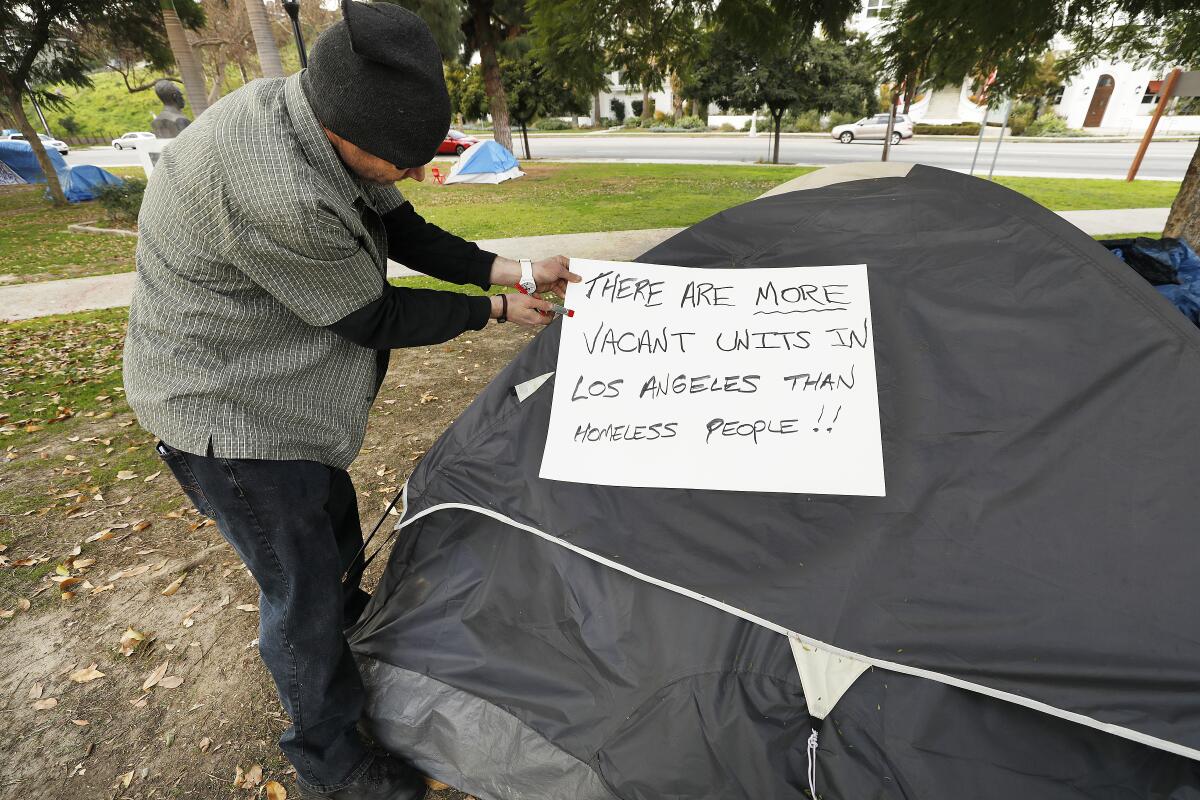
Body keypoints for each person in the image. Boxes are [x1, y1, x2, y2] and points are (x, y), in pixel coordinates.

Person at [122, 2, 579, 798]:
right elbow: (374, 316)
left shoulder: (317, 116)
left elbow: (406, 231)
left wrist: (513, 269)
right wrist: (497, 312)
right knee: (296, 591)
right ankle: (333, 760)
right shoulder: (277, 189)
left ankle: (349, 621)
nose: (408, 177)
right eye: (399, 163)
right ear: (347, 136)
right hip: (227, 414)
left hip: (283, 399)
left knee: (327, 534)